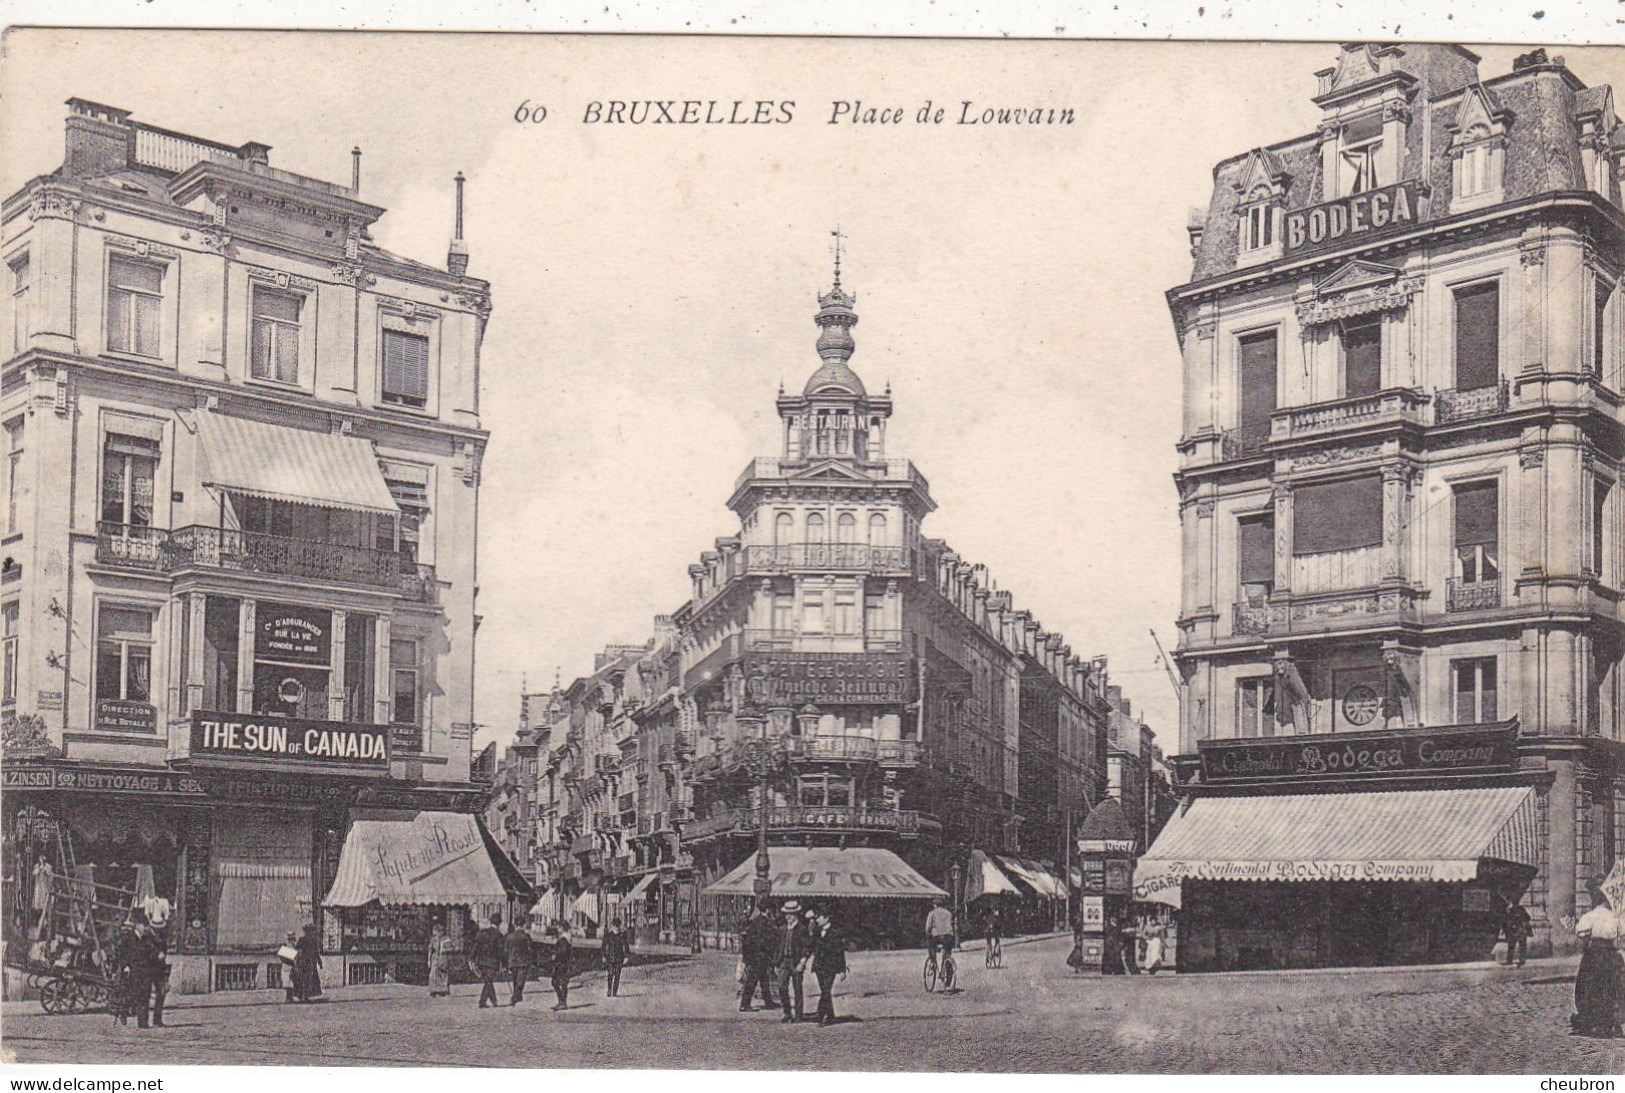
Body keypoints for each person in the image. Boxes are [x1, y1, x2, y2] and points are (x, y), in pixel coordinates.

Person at [1571, 880, 1623, 1038]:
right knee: (1612, 987)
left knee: (1590, 986)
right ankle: (1610, 1022)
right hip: (1611, 954)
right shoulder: (1616, 917)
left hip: (1594, 955)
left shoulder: (1591, 916)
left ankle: (1593, 1022)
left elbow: (1580, 932)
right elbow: (1621, 934)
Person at [774, 900, 811, 1023]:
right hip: (784, 961)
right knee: (781, 986)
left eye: (790, 914)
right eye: (786, 914)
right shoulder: (782, 929)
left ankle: (799, 1015)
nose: (788, 917)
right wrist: (776, 963)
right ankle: (787, 1012)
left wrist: (802, 962)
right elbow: (778, 947)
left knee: (797, 988)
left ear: (796, 914)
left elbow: (807, 947)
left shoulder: (802, 929)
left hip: (796, 962)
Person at [810, 911, 847, 1026]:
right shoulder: (816, 932)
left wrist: (842, 969)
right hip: (819, 966)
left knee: (826, 990)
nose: (817, 920)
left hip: (830, 967)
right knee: (825, 991)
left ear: (826, 918)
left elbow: (839, 952)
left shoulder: (836, 933)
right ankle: (830, 1015)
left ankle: (821, 1016)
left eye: (819, 917)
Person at [739, 902, 777, 1011]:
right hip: (759, 956)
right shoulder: (764, 923)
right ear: (768, 910)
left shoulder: (755, 922)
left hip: (754, 956)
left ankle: (768, 1002)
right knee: (752, 980)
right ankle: (744, 1005)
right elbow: (764, 941)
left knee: (763, 979)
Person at [470, 913, 505, 1009]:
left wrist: (472, 958)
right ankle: (492, 1001)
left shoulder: (482, 933)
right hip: (493, 963)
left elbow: (476, 947)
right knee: (488, 981)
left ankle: (484, 1002)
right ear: (499, 923)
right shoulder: (499, 935)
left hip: (481, 962)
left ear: (490, 921)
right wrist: (503, 964)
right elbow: (501, 951)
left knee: (487, 981)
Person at [505, 918, 533, 1005]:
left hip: (512, 961)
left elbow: (505, 950)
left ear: (515, 925)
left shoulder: (509, 936)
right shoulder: (526, 937)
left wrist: (506, 963)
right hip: (523, 962)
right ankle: (514, 998)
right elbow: (530, 950)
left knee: (515, 979)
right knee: (521, 981)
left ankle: (518, 996)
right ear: (523, 925)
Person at [294, 923, 324, 1002]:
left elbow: (296, 948)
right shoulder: (313, 941)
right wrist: (320, 963)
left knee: (303, 979)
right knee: (308, 980)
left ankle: (302, 996)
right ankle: (305, 996)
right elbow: (316, 953)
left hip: (303, 962)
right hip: (310, 962)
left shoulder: (302, 939)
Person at [924, 897, 955, 969]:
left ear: (934, 905)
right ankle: (946, 963)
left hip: (937, 937)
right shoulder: (948, 913)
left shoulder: (932, 913)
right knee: (947, 951)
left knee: (930, 945)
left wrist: (928, 935)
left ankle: (933, 962)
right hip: (949, 936)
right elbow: (952, 924)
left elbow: (928, 927)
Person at [549, 921, 574, 1011]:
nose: (557, 929)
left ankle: (562, 1002)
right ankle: (562, 1002)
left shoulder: (563, 939)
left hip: (561, 963)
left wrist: (555, 954)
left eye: (558, 927)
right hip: (564, 963)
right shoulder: (566, 937)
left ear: (562, 928)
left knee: (557, 982)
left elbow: (562, 951)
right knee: (561, 982)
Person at [602, 917, 629, 997]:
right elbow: (603, 946)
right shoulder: (609, 936)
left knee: (617, 975)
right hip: (610, 957)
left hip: (619, 958)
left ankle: (614, 991)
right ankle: (609, 989)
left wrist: (626, 957)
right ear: (612, 926)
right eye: (615, 926)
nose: (616, 928)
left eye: (618, 926)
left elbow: (626, 946)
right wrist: (603, 956)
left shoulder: (622, 936)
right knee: (610, 974)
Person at [1502, 898, 1531, 968]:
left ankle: (1519, 960)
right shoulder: (1508, 910)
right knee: (1513, 946)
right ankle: (1512, 960)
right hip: (1515, 930)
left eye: (1508, 902)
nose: (1508, 904)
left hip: (1519, 930)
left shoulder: (1517, 910)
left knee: (1520, 945)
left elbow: (1528, 917)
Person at [427, 924, 453, 997]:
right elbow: (430, 949)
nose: (434, 933)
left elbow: (450, 949)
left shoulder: (446, 939)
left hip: (443, 957)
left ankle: (443, 990)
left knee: (442, 974)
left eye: (435, 931)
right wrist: (428, 960)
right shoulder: (433, 939)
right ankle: (433, 990)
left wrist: (446, 948)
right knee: (432, 974)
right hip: (435, 957)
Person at [280, 931, 301, 1002]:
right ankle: (288, 997)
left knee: (290, 982)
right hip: (287, 966)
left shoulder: (293, 947)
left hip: (290, 966)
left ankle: (290, 997)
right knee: (287, 982)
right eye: (291, 939)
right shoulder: (288, 946)